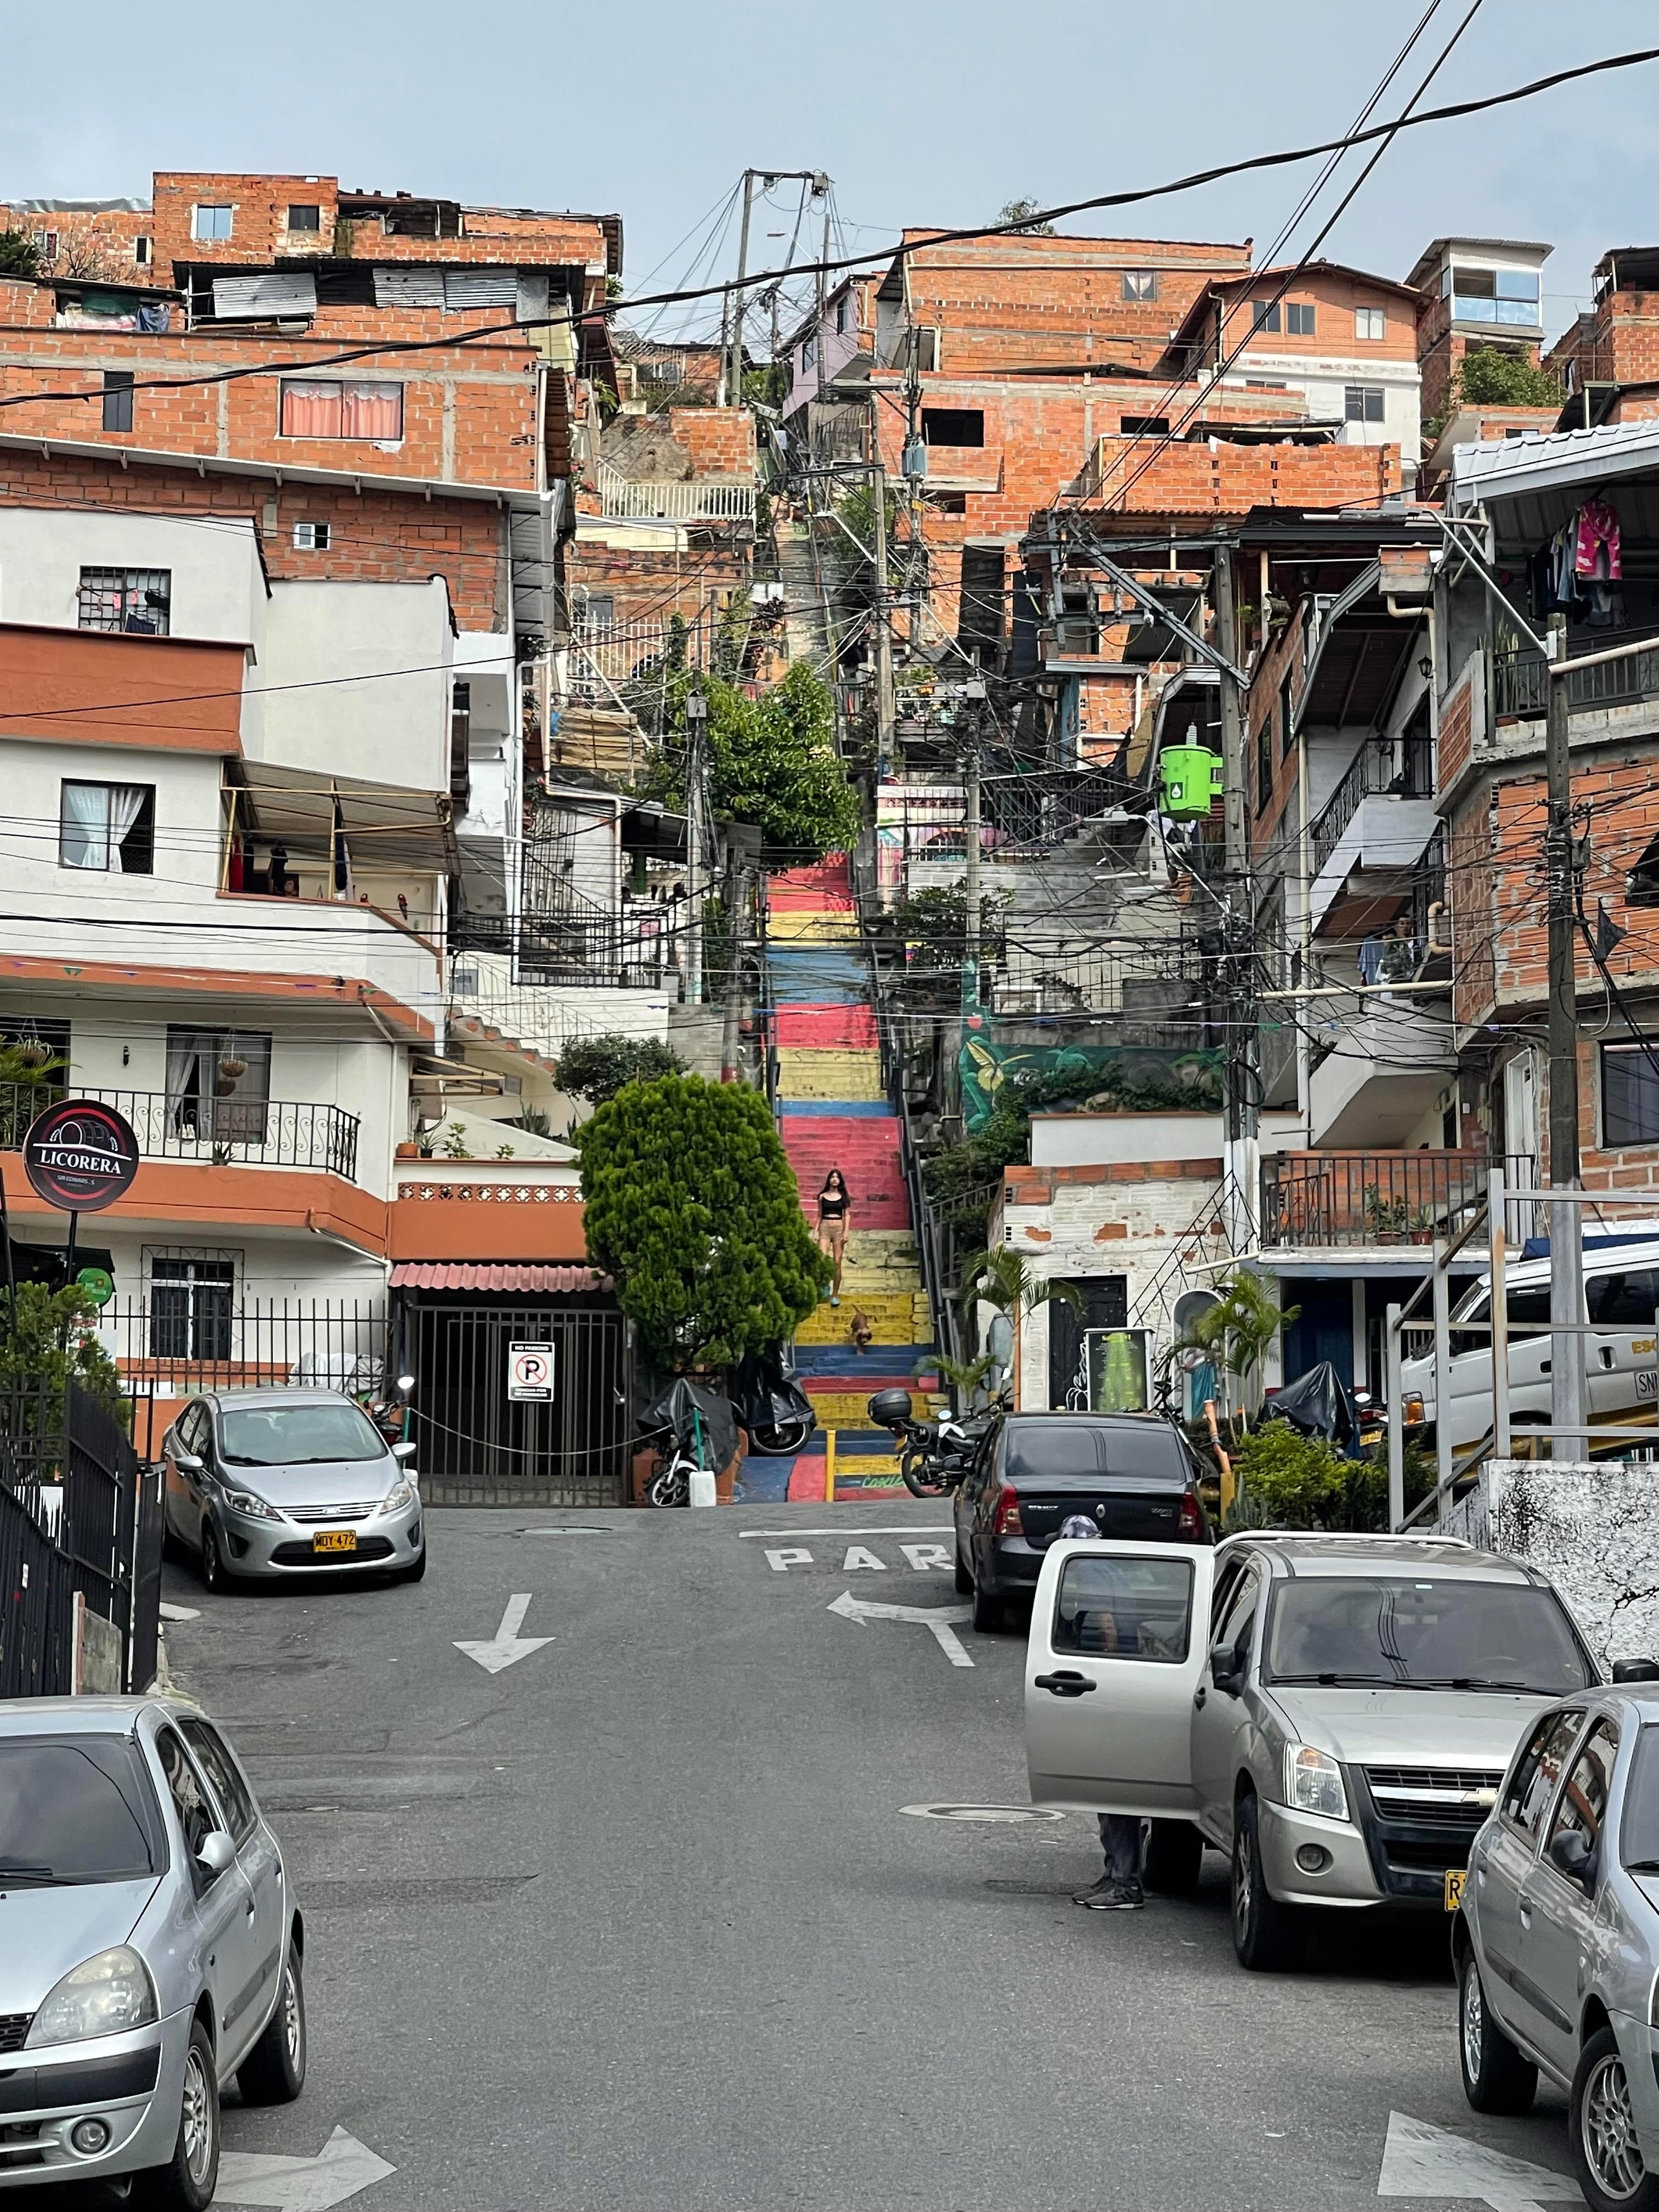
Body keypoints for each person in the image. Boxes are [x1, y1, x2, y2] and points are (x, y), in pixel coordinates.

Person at [1058, 1509, 1146, 1911]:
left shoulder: (1090, 1574)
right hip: (1127, 1686)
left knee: (1115, 1794)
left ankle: (1124, 1883)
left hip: (1111, 1690)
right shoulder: (1114, 1571)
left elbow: (1107, 1627)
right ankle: (1114, 1873)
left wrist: (1100, 1672)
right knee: (1111, 1792)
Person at [815, 1169, 851, 1308]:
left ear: (840, 1180)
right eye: (832, 1177)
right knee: (822, 1258)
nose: (835, 1179)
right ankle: (824, 1286)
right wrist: (815, 1232)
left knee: (837, 1261)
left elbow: (847, 1215)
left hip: (838, 1229)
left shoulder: (843, 1197)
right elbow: (819, 1215)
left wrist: (846, 1231)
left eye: (837, 1177)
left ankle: (835, 1295)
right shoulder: (822, 1196)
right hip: (825, 1227)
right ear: (829, 1180)